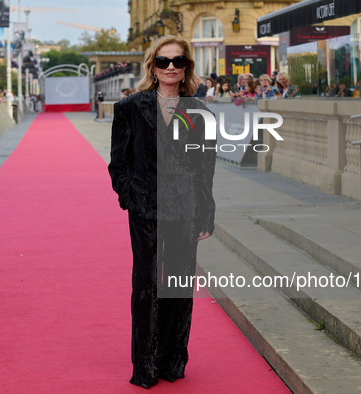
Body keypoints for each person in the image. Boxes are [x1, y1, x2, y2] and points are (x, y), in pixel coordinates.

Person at [108, 35, 216, 389]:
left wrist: (205, 212)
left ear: (187, 67)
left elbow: (205, 168)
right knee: (147, 282)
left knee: (179, 283)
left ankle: (171, 360)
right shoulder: (129, 108)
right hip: (145, 207)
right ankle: (145, 364)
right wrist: (129, 198)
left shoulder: (200, 113)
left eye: (178, 61)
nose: (170, 67)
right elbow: (117, 163)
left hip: (185, 206)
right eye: (163, 61)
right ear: (152, 66)